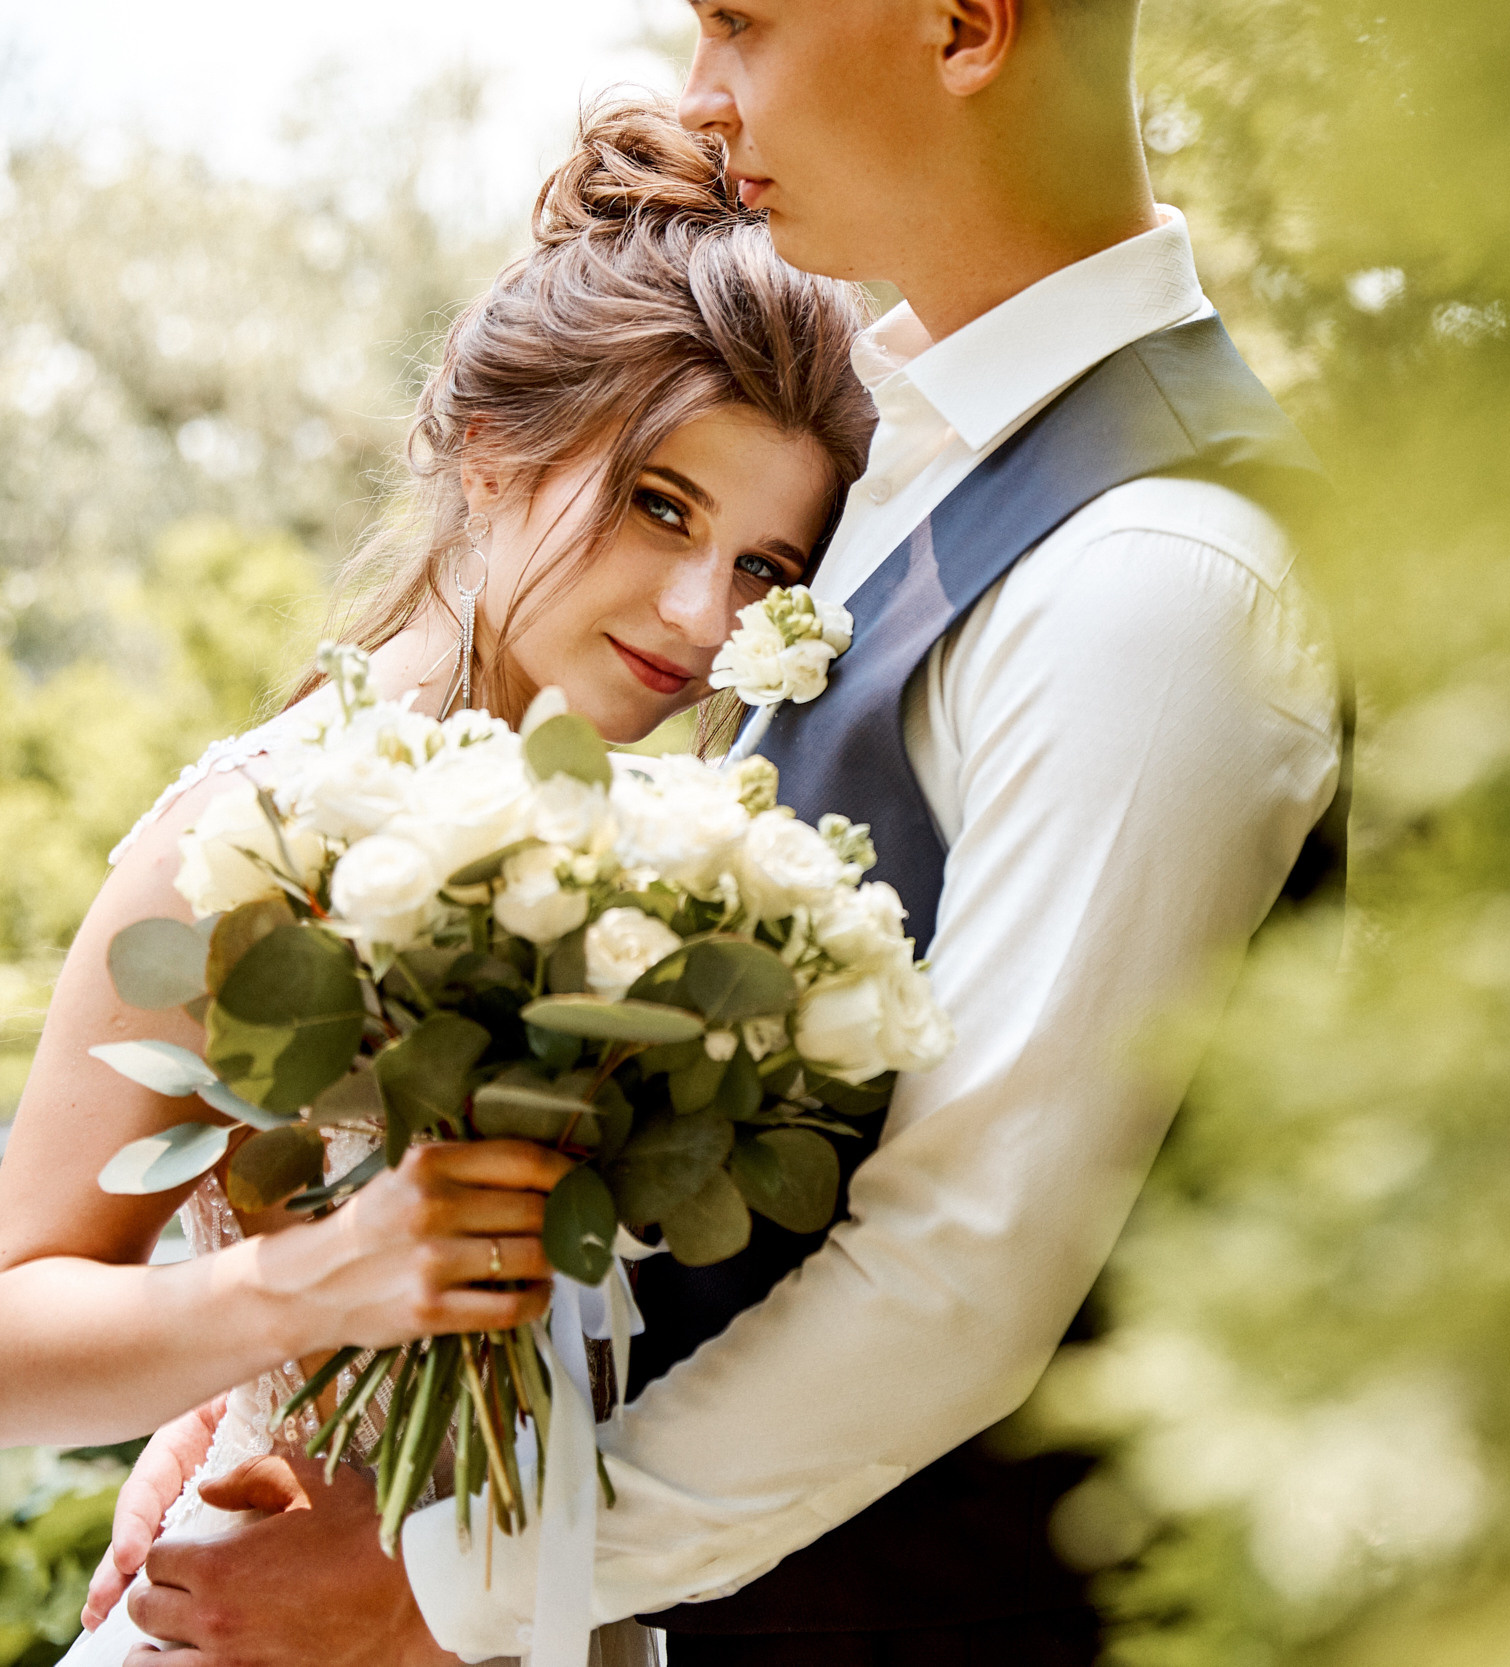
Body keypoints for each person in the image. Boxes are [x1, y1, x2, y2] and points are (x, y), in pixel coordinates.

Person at [97, 1, 1342, 1662]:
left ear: (967, 25)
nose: (699, 91)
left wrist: (442, 1581)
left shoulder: (1155, 570)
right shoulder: (909, 472)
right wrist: (302, 1403)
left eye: (743, 21)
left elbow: (962, 1272)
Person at [0, 98, 874, 1665]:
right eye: (658, 503)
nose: (696, 610)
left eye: (765, 566)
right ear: (491, 452)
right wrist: (289, 1303)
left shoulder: (721, 892)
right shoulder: (251, 834)